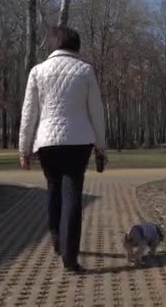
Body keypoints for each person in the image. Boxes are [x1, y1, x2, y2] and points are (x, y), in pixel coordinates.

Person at [18, 27, 106, 272]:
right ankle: (70, 256)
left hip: (46, 142)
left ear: (54, 45)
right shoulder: (85, 71)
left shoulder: (37, 71)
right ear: (76, 46)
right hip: (78, 141)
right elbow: (96, 111)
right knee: (72, 195)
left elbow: (29, 113)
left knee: (53, 190)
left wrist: (23, 149)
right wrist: (101, 145)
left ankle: (57, 240)